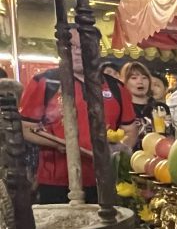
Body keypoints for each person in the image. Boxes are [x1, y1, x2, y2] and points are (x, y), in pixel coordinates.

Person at [20, 28, 137, 204]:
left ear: (97, 49)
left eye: (84, 46)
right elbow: (27, 128)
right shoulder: (45, 82)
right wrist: (61, 144)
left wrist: (119, 150)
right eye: (71, 45)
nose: (77, 51)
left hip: (104, 180)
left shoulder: (116, 87)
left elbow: (130, 129)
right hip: (57, 182)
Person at [122, 61, 171, 141]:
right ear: (125, 82)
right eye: (134, 78)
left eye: (144, 78)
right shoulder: (121, 108)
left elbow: (169, 135)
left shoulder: (160, 107)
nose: (140, 82)